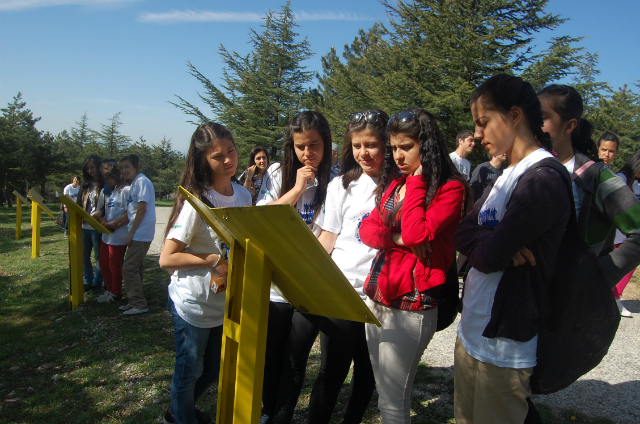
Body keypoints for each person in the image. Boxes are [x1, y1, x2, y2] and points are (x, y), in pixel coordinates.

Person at [452, 74, 572, 424]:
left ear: (515, 115)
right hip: (472, 332)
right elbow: (462, 232)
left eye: (484, 122)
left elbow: (487, 257)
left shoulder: (542, 179)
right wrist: (494, 242)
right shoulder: (506, 174)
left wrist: (491, 246)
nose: (477, 134)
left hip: (504, 346)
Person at [359, 107, 472, 423]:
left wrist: (419, 184)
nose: (397, 155)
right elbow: (366, 230)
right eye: (394, 147)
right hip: (378, 295)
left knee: (394, 401)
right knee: (385, 393)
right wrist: (395, 238)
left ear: (427, 145)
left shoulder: (450, 188)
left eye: (406, 147)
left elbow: (417, 232)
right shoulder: (395, 185)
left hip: (413, 303)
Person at [159, 122, 251, 424]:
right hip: (192, 305)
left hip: (222, 305)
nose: (228, 161)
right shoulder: (195, 202)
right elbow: (166, 258)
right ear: (202, 161)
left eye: (231, 151)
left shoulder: (243, 196)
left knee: (211, 370)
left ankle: (178, 409)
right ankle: (182, 416)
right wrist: (212, 259)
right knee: (189, 371)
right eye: (217, 156)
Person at [311, 109, 389, 424]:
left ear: (387, 144)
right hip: (341, 292)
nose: (363, 153)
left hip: (381, 295)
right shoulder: (341, 184)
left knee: (368, 370)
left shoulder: (402, 187)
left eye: (371, 144)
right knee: (332, 371)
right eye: (357, 145)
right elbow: (328, 235)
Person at [538, 85, 640, 319]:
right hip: (529, 297)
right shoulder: (533, 168)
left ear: (570, 126)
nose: (535, 124)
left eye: (542, 117)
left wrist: (597, 275)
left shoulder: (597, 177)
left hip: (567, 309)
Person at [256, 111, 332, 424]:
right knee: (271, 353)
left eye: (314, 145)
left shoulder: (338, 179)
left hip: (310, 284)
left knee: (296, 357)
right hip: (275, 283)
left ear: (326, 143)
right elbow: (260, 218)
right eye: (300, 146)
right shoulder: (277, 172)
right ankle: (266, 409)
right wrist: (297, 188)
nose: (307, 153)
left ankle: (282, 415)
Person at [119, 154, 156, 316]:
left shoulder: (142, 182)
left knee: (129, 268)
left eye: (127, 167)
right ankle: (134, 300)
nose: (124, 170)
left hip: (141, 232)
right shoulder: (135, 183)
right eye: (122, 168)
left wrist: (131, 233)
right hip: (137, 231)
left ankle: (139, 303)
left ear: (135, 167)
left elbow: (142, 208)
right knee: (137, 267)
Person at [94, 159, 130, 304]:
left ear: (117, 175)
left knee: (114, 264)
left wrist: (114, 225)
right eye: (105, 177)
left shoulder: (125, 190)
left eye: (109, 177)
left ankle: (116, 293)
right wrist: (102, 218)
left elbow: (129, 213)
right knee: (103, 262)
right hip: (106, 234)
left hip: (118, 234)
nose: (107, 180)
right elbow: (107, 210)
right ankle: (108, 289)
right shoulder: (110, 191)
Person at [613, 150, 640, 317]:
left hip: (629, 234)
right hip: (616, 233)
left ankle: (615, 298)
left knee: (629, 266)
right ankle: (614, 299)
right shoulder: (620, 180)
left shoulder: (636, 183)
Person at [76, 155, 105, 294]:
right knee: (84, 256)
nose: (89, 170)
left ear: (98, 167)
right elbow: (78, 204)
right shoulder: (85, 185)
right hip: (84, 226)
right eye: (87, 168)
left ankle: (97, 282)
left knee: (98, 256)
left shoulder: (105, 184)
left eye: (92, 167)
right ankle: (87, 281)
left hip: (97, 226)